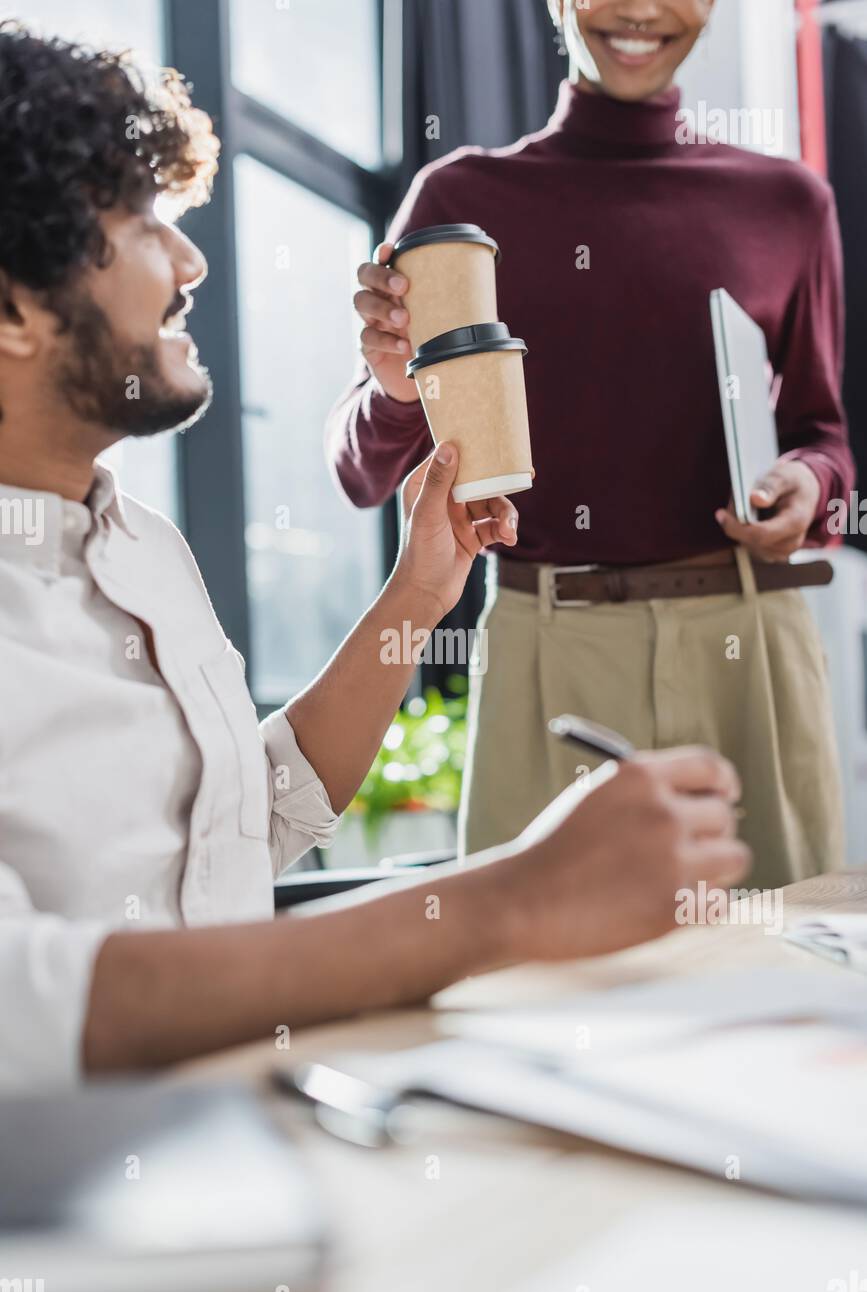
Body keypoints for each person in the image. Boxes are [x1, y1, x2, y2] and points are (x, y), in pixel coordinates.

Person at [0, 24, 749, 1090]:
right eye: (138, 221)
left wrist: (420, 592)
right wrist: (510, 901)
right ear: (13, 307)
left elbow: (245, 826)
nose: (190, 261)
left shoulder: (141, 549)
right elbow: (22, 1005)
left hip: (251, 1126)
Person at [327, 0, 852, 889]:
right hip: (547, 642)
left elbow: (823, 434)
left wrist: (807, 484)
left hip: (749, 645)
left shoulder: (789, 202)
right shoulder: (459, 199)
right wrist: (391, 387)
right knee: (533, 991)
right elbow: (361, 472)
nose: (643, 9)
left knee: (782, 979)